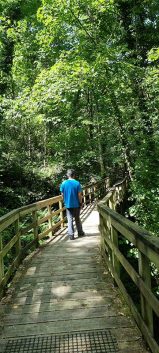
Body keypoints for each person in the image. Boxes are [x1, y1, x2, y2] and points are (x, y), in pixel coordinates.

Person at [60, 169, 85, 240]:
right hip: (76, 204)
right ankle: (80, 232)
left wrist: (64, 201)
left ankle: (71, 235)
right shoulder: (77, 183)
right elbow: (79, 195)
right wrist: (80, 203)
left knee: (69, 219)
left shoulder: (63, 183)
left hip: (68, 204)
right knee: (77, 218)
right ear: (74, 175)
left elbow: (62, 194)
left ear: (67, 175)